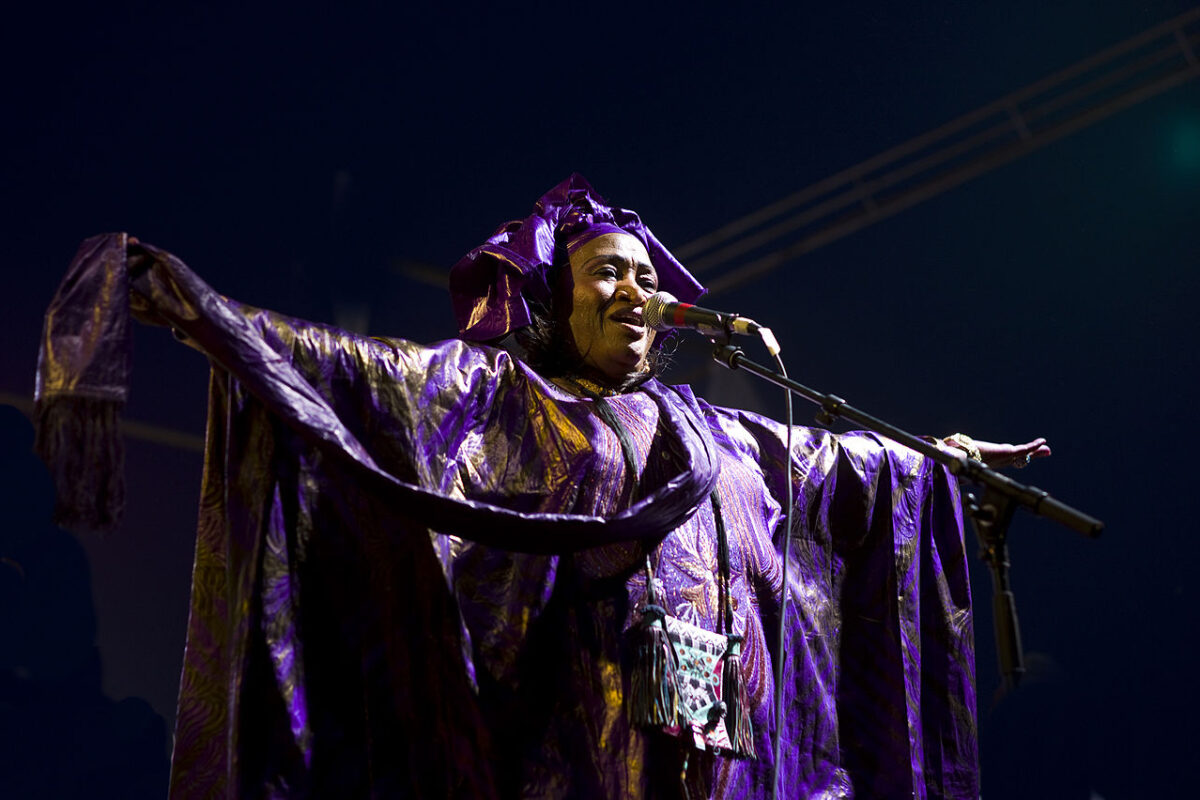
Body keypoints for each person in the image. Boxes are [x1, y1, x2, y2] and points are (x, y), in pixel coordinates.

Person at [35, 175, 1047, 799]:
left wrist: (939, 456)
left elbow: (844, 466)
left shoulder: (721, 433)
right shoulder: (494, 396)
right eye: (609, 272)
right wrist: (192, 307)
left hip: (715, 752)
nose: (638, 292)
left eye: (649, 278)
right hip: (564, 744)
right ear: (556, 297)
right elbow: (346, 365)